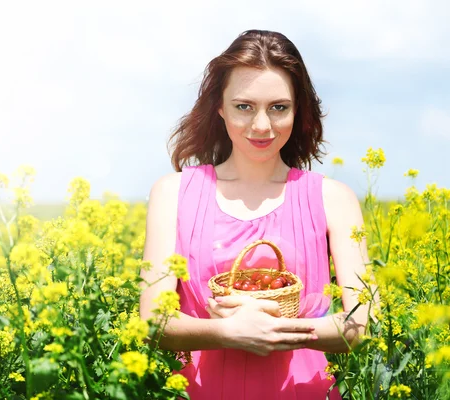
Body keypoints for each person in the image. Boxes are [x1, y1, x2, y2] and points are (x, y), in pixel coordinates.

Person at [139, 29, 372, 399]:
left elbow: (360, 323)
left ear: (298, 110)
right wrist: (228, 333)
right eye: (244, 106)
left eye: (278, 107)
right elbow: (152, 321)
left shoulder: (334, 199)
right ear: (219, 106)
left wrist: (274, 330)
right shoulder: (173, 193)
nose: (261, 126)